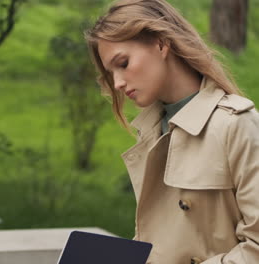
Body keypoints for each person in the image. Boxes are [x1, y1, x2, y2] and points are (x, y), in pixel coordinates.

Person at [83, 0, 259, 263]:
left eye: (123, 63)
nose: (118, 83)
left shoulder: (235, 124)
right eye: (111, 73)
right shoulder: (152, 131)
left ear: (161, 44)